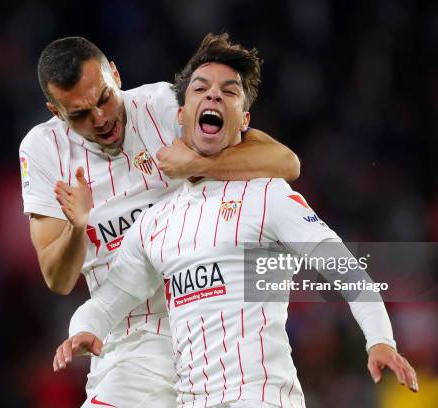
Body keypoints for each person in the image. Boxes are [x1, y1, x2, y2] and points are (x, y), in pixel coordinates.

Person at [56, 33, 419, 408]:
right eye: (201, 88)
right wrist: (83, 330)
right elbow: (110, 299)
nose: (213, 95)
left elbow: (344, 267)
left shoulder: (267, 196)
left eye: (229, 92)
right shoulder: (155, 224)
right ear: (181, 114)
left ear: (244, 121)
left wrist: (380, 339)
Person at [20, 35, 301, 407]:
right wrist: (77, 227)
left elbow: (285, 162)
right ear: (56, 112)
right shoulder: (41, 151)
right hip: (130, 338)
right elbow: (57, 279)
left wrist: (198, 163)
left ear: (116, 75)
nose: (101, 118)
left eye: (104, 98)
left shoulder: (164, 105)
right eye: (80, 114)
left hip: (209, 324)